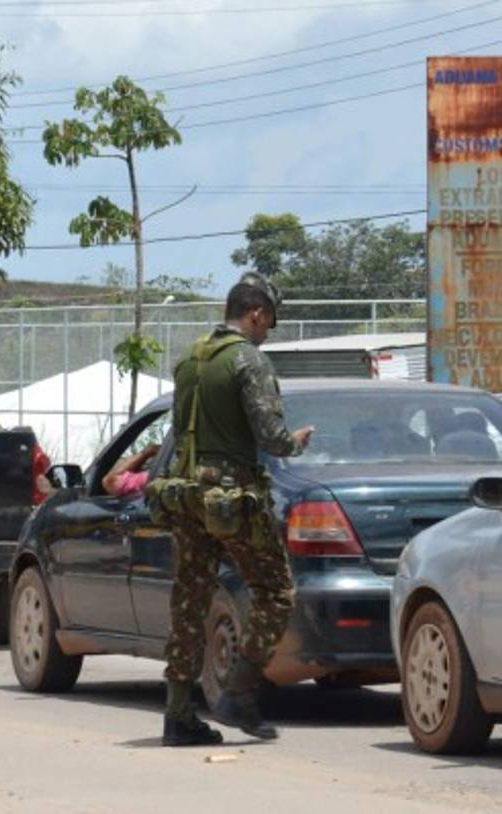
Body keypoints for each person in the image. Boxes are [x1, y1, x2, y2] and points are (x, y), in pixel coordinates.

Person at [152, 271, 314, 747]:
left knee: (189, 599)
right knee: (276, 591)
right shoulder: (249, 361)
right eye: (269, 323)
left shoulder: (189, 360)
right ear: (255, 313)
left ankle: (178, 714)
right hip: (232, 496)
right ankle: (239, 695)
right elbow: (270, 436)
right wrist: (295, 442)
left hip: (185, 494)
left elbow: (182, 431)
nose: (268, 332)